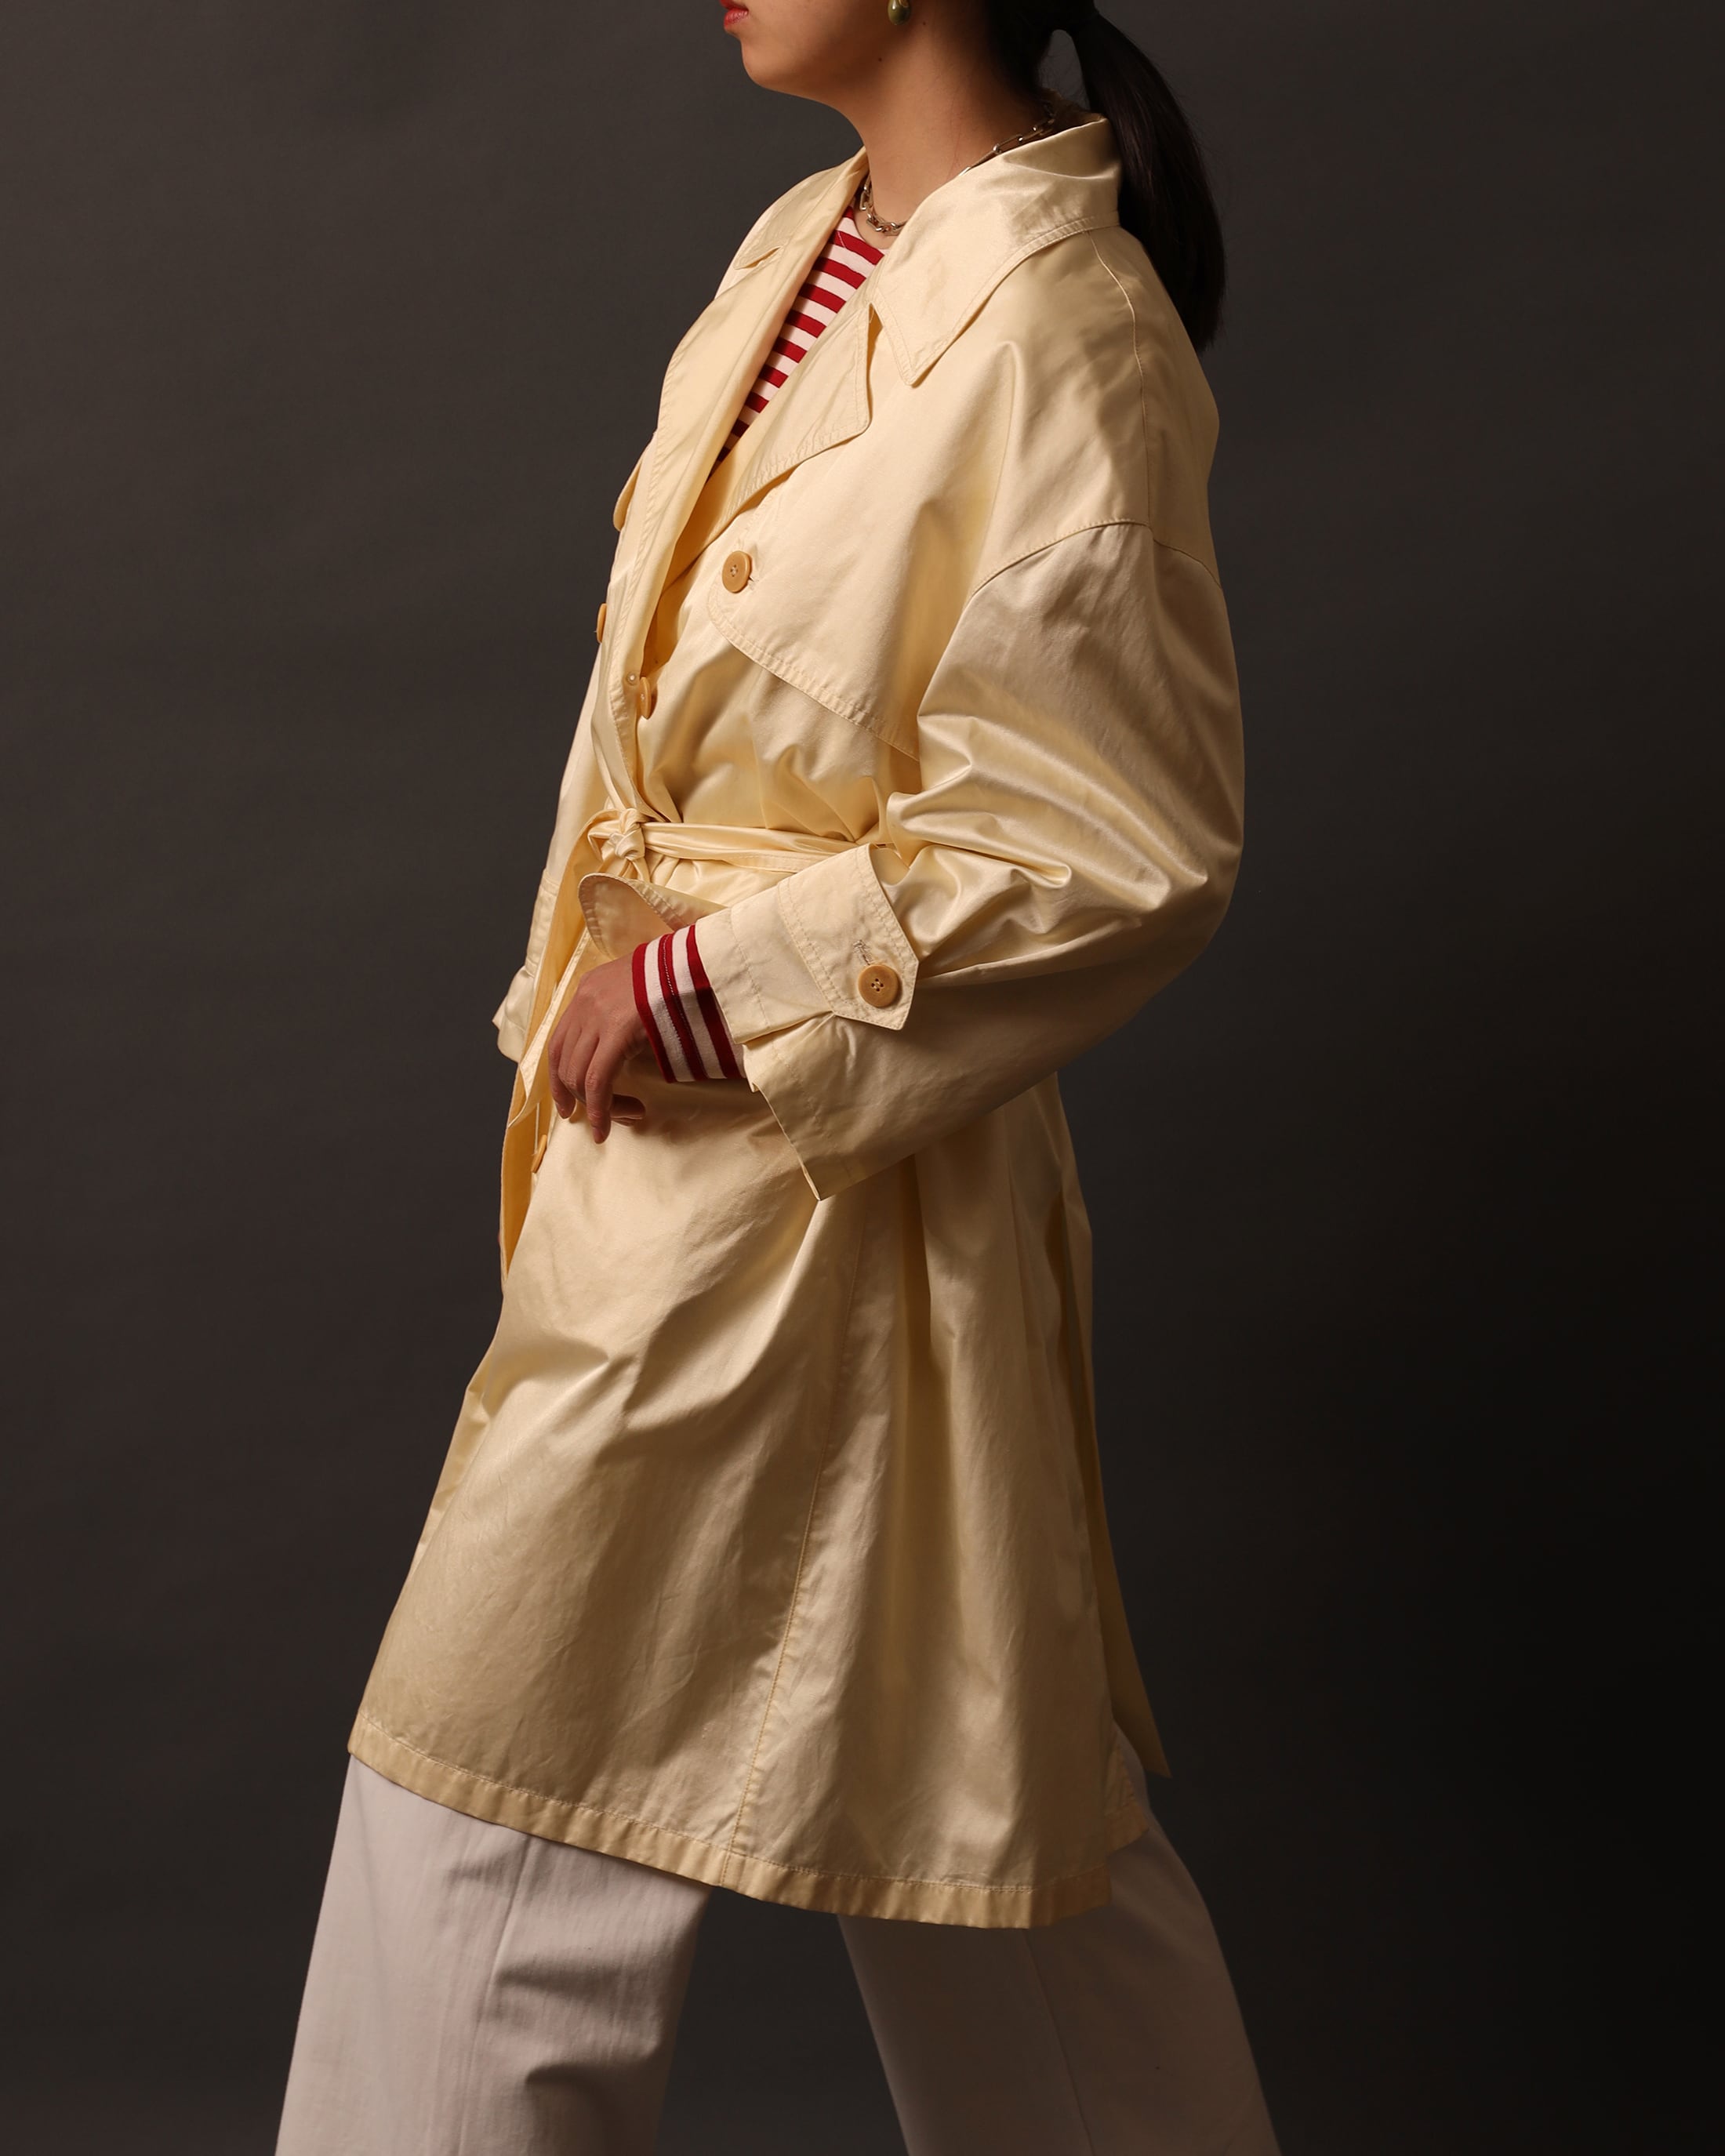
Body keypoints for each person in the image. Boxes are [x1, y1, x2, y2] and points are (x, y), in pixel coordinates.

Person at [277, 2, 1280, 2151]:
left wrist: (712, 986)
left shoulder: (1068, 328)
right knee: (992, 1827)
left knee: (486, 1811)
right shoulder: (806, 242)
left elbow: (1118, 833)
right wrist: (592, 981)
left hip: (788, 1170)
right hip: (713, 1174)